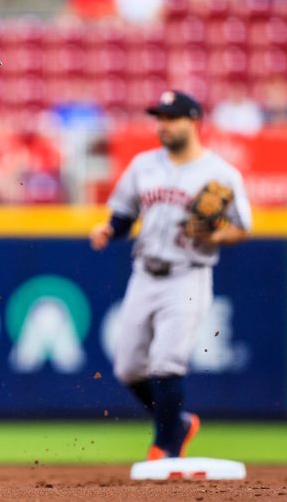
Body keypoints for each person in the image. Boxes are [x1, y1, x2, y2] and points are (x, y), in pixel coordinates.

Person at [89, 90, 251, 460]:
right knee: (128, 367)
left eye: (171, 117)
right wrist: (108, 230)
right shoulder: (144, 165)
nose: (162, 125)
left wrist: (213, 234)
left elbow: (244, 227)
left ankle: (166, 446)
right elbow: (124, 213)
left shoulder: (222, 173)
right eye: (159, 117)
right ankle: (177, 423)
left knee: (166, 363)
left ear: (193, 121)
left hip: (188, 275)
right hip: (144, 273)